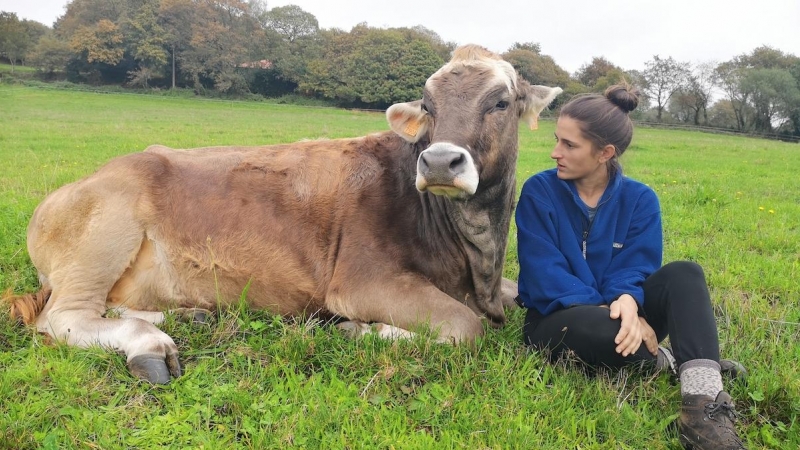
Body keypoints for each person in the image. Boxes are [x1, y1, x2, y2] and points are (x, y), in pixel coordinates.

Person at [514, 83, 747, 450]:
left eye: (569, 145)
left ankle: (703, 410)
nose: (554, 152)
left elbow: (638, 265)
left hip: (621, 309)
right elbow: (545, 274)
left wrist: (627, 296)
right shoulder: (539, 191)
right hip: (557, 318)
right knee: (609, 333)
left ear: (605, 152)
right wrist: (620, 310)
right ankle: (671, 363)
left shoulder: (640, 198)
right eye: (557, 139)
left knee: (686, 273)